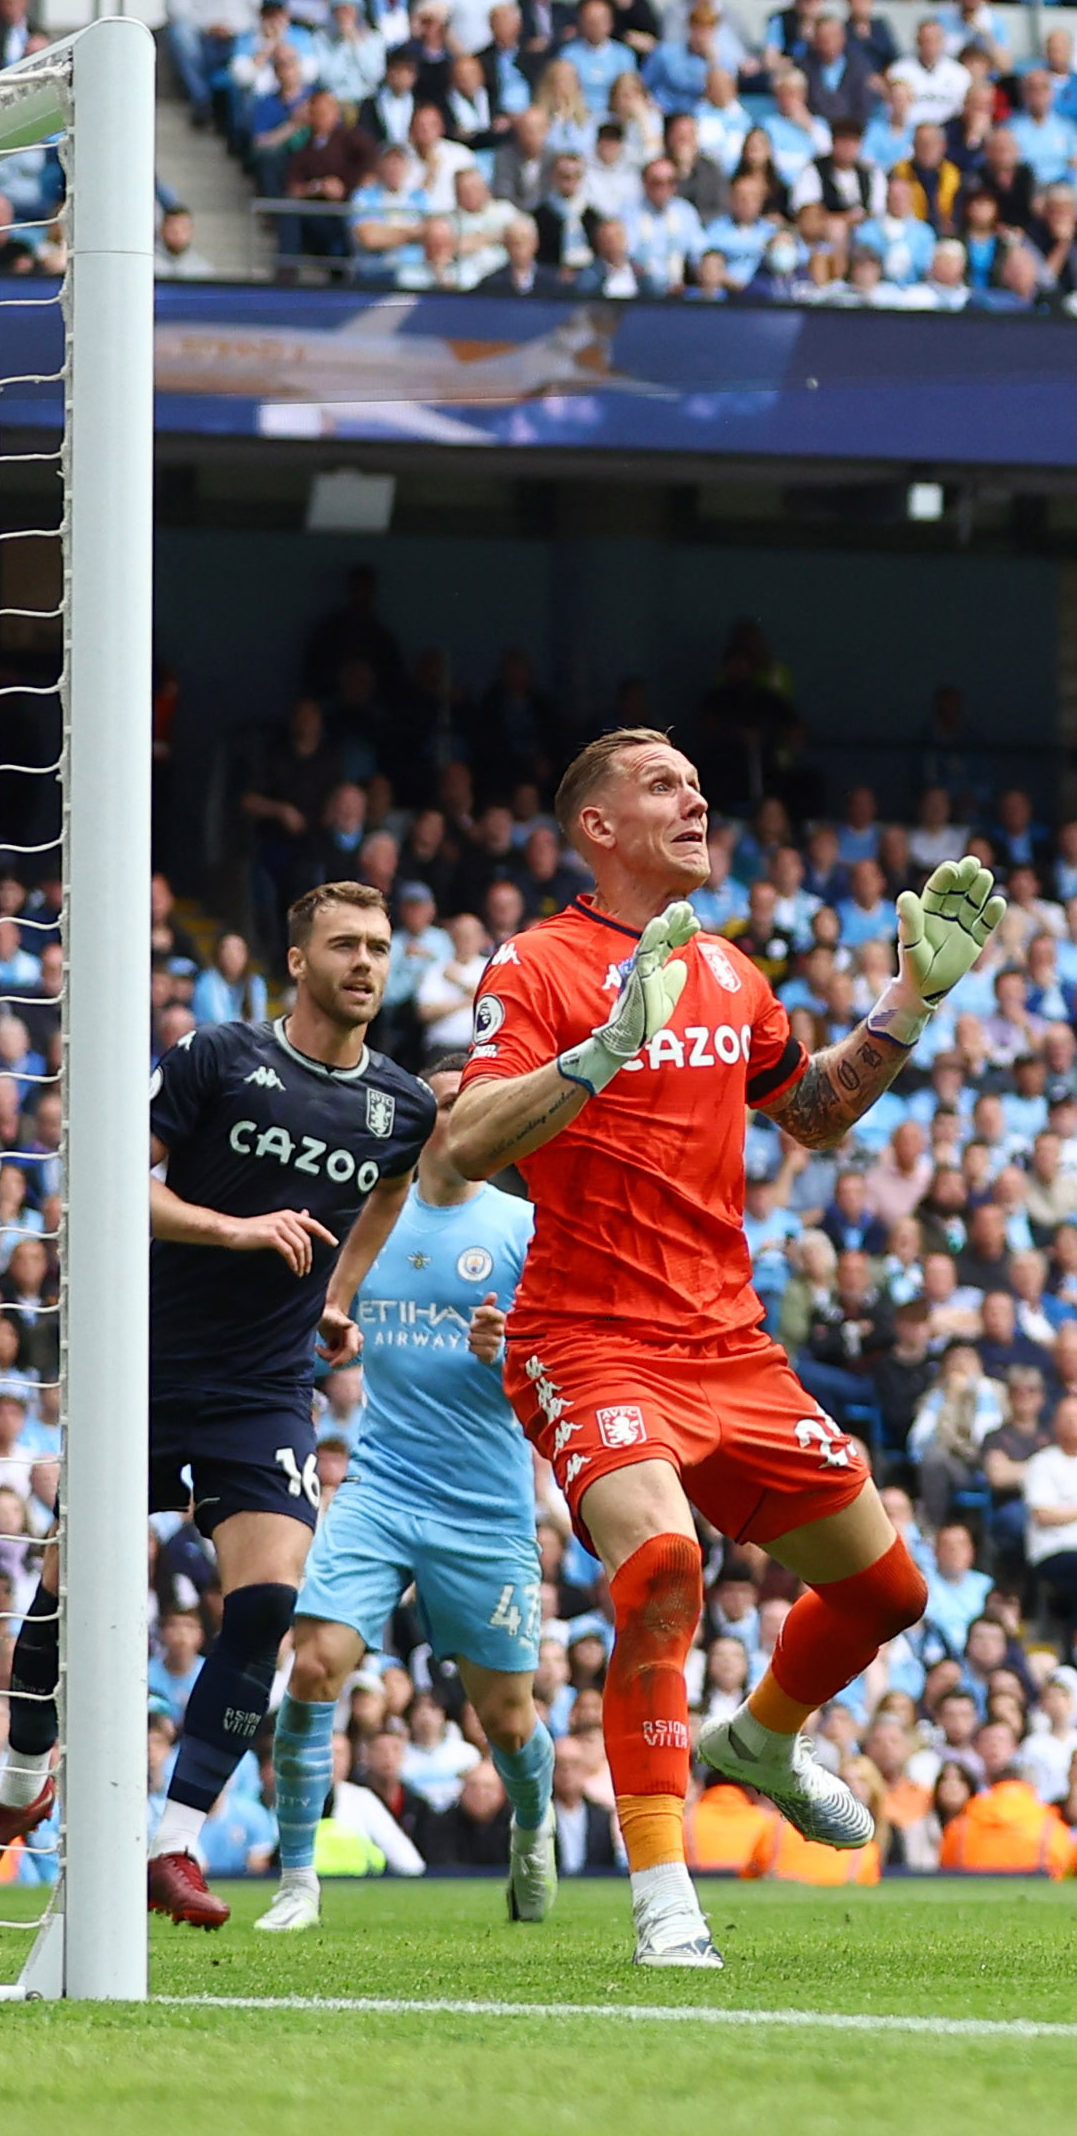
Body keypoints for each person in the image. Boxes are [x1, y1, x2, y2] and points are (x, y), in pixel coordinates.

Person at [441, 729, 1001, 1969]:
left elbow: (808, 1116)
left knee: (890, 1593)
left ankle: (760, 1739)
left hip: (730, 1349)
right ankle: (664, 1900)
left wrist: (911, 1002)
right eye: (662, 785)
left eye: (697, 783)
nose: (697, 798)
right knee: (660, 1568)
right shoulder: (536, 964)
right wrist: (596, 1055)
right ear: (597, 826)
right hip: (585, 1340)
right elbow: (467, 1143)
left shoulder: (732, 975)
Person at [132, 882, 439, 1929]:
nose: (366, 963)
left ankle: (170, 1845)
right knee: (66, 1595)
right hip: (150, 1362)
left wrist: (338, 1298)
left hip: (265, 1388)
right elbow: (121, 1186)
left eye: (381, 948)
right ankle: (18, 1785)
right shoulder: (217, 1056)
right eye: (345, 945)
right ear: (297, 962)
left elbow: (391, 1186)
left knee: (267, 1606)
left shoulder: (403, 1106)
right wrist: (239, 1228)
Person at [256, 1075, 554, 1933]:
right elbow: (316, 1324)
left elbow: (559, 1370)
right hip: (382, 1482)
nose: (455, 1114)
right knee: (314, 1662)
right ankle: (298, 1878)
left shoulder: (521, 1228)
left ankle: (533, 1826)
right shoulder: (366, 1216)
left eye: (472, 1099)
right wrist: (329, 1328)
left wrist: (514, 1352)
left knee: (506, 1717)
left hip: (485, 1504)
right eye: (442, 1100)